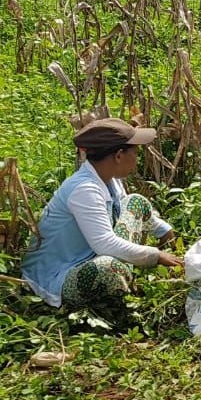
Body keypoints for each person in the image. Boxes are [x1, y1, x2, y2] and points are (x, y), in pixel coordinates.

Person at [20, 119, 182, 309]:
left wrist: (165, 233)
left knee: (135, 201)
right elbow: (104, 243)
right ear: (119, 156)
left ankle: (132, 274)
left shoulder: (109, 179)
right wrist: (156, 256)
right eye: (135, 152)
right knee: (107, 269)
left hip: (88, 254)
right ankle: (120, 297)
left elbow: (126, 210)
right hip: (57, 276)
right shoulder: (84, 190)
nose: (137, 159)